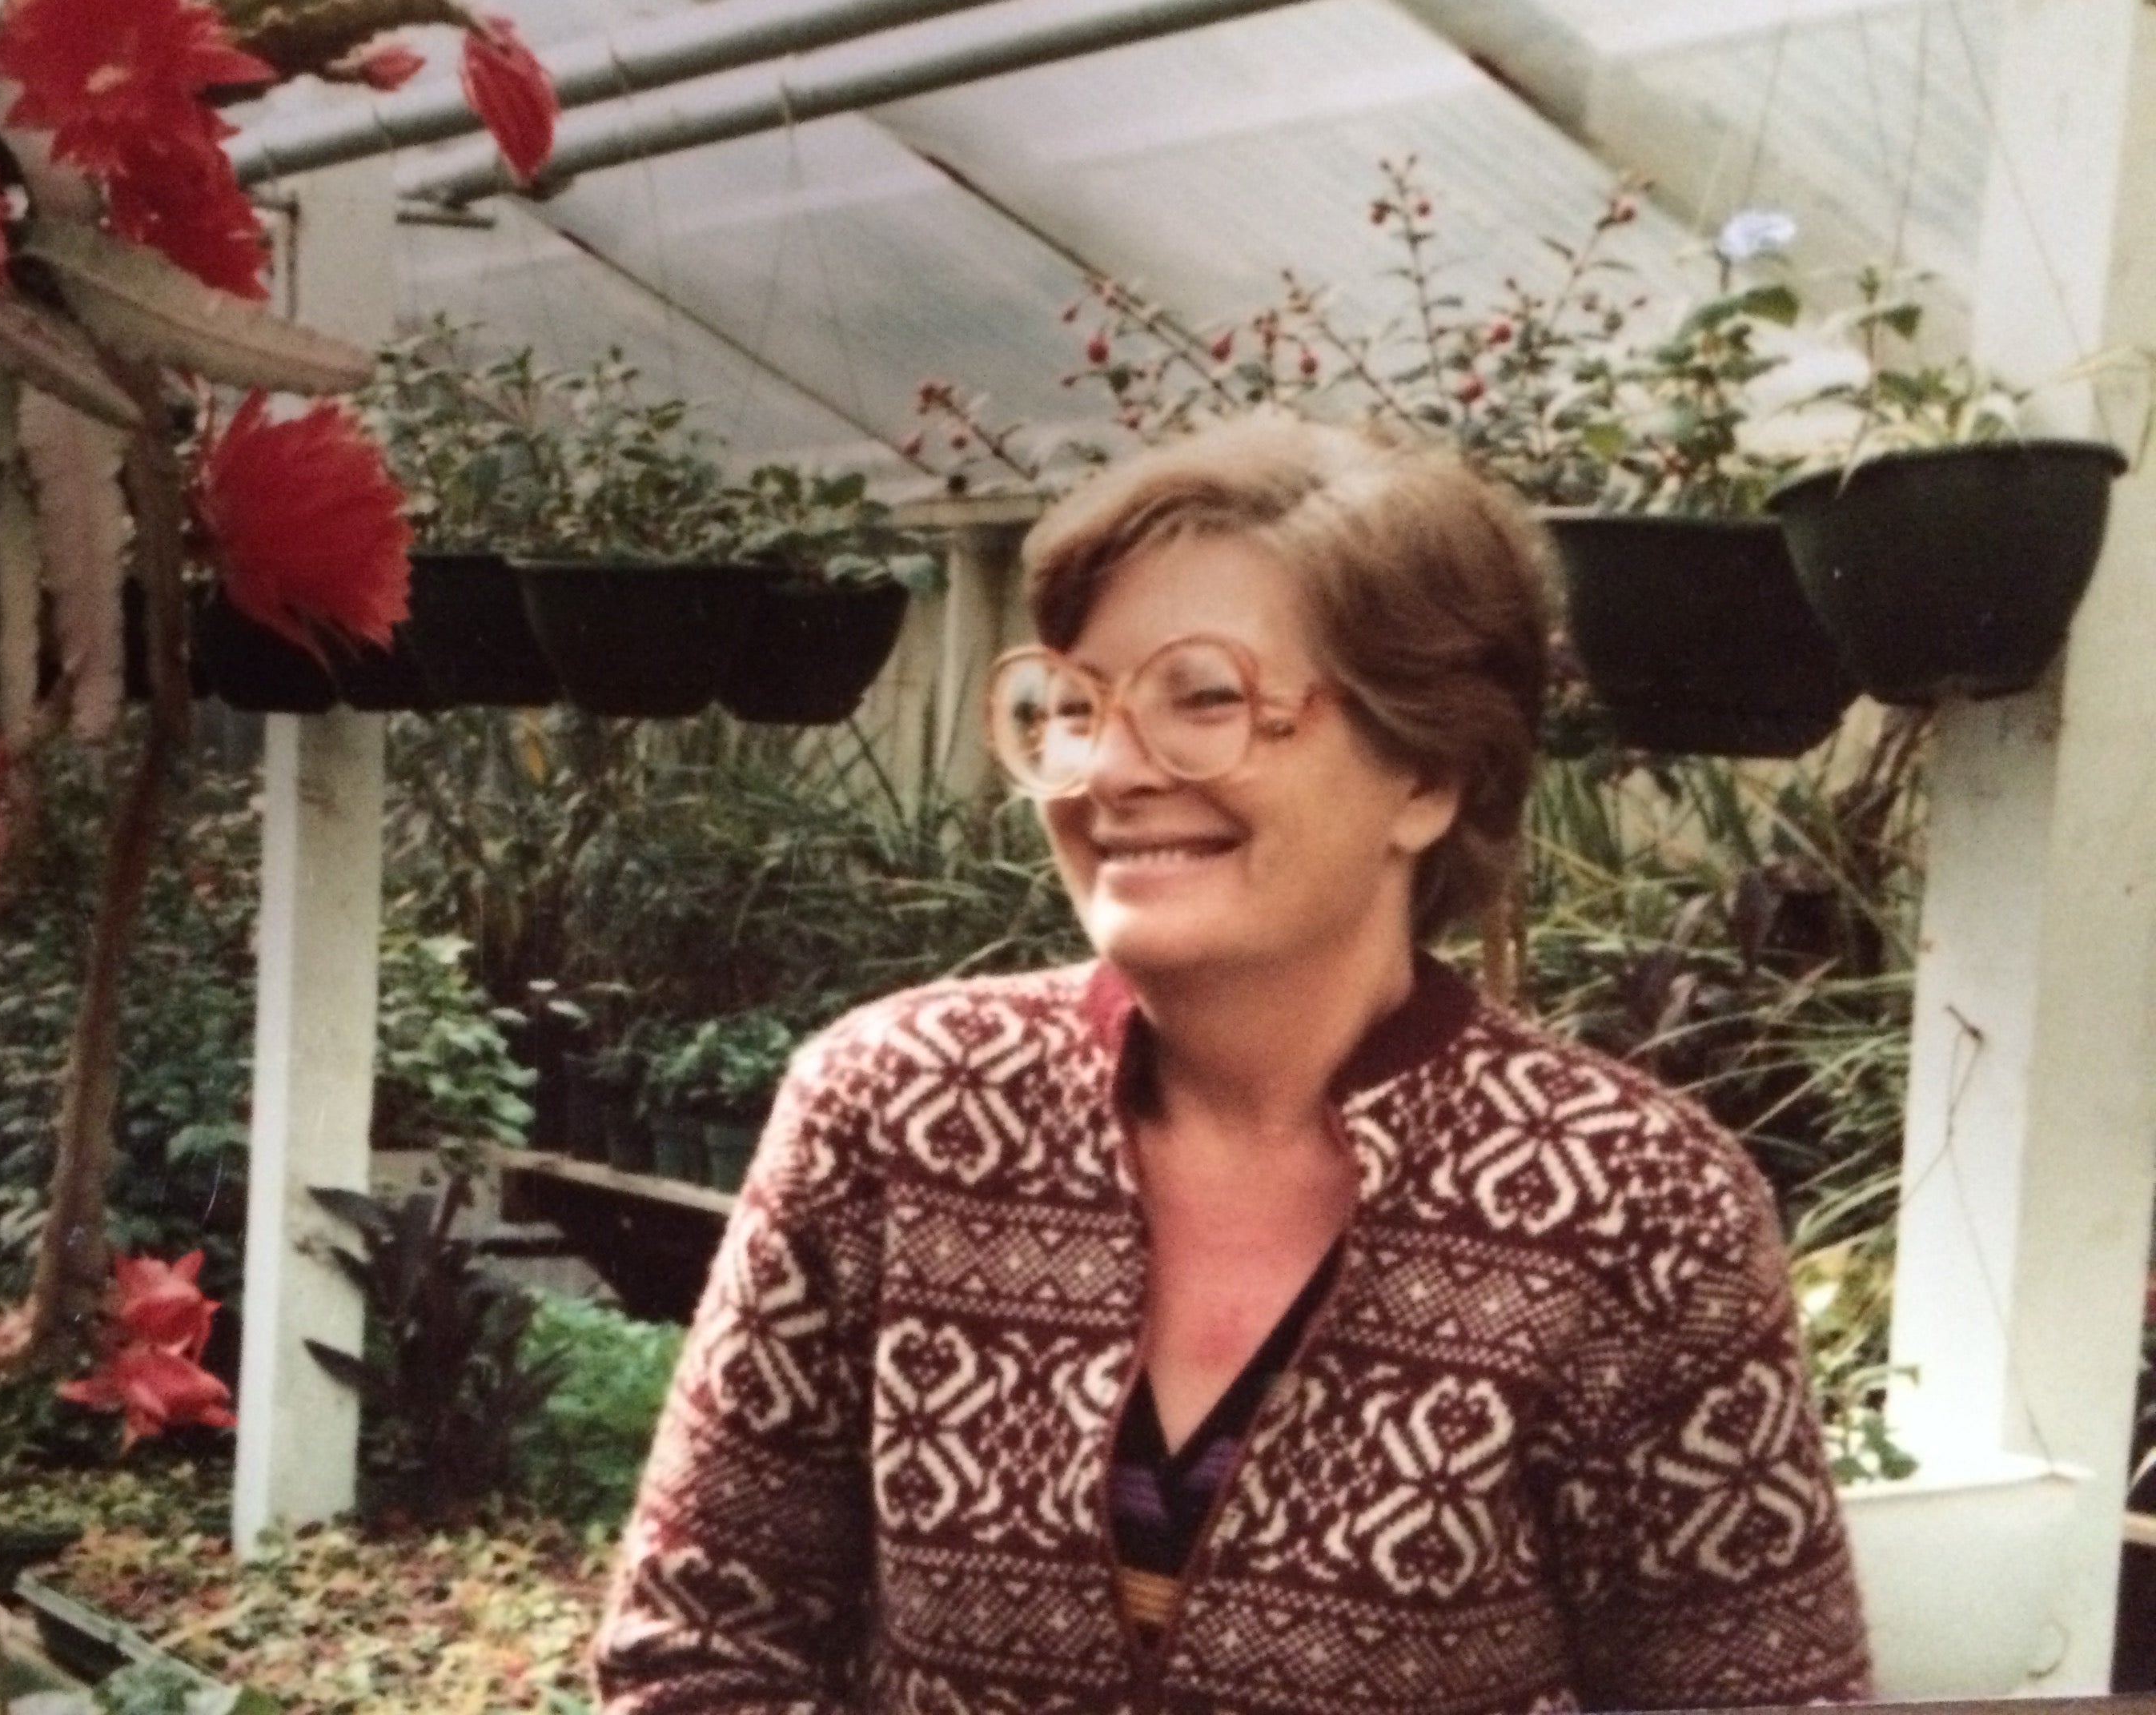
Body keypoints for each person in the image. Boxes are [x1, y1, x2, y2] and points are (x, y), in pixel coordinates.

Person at [592, 417, 1871, 1715]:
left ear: (1426, 772)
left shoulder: (1634, 1209)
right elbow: (696, 1651)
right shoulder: (898, 1108)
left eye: (1203, 698)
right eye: (1076, 706)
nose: (1108, 770)